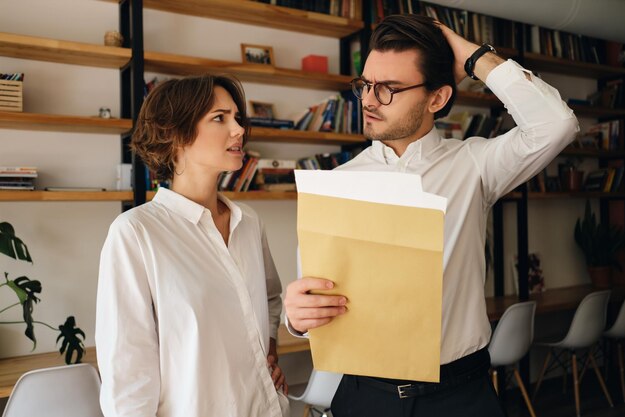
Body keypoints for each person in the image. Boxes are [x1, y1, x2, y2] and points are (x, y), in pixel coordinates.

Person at [284, 14, 578, 417]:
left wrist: (471, 56)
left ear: (437, 99)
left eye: (388, 89)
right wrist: (296, 318)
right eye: (366, 85)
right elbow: (312, 295)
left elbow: (556, 124)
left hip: (461, 395)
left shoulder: (475, 164)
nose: (369, 101)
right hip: (363, 396)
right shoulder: (338, 181)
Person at [96, 74, 289, 417]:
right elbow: (127, 372)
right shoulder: (136, 233)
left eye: (237, 117)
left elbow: (271, 298)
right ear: (175, 134)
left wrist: (267, 353)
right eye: (220, 118)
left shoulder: (249, 222)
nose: (239, 129)